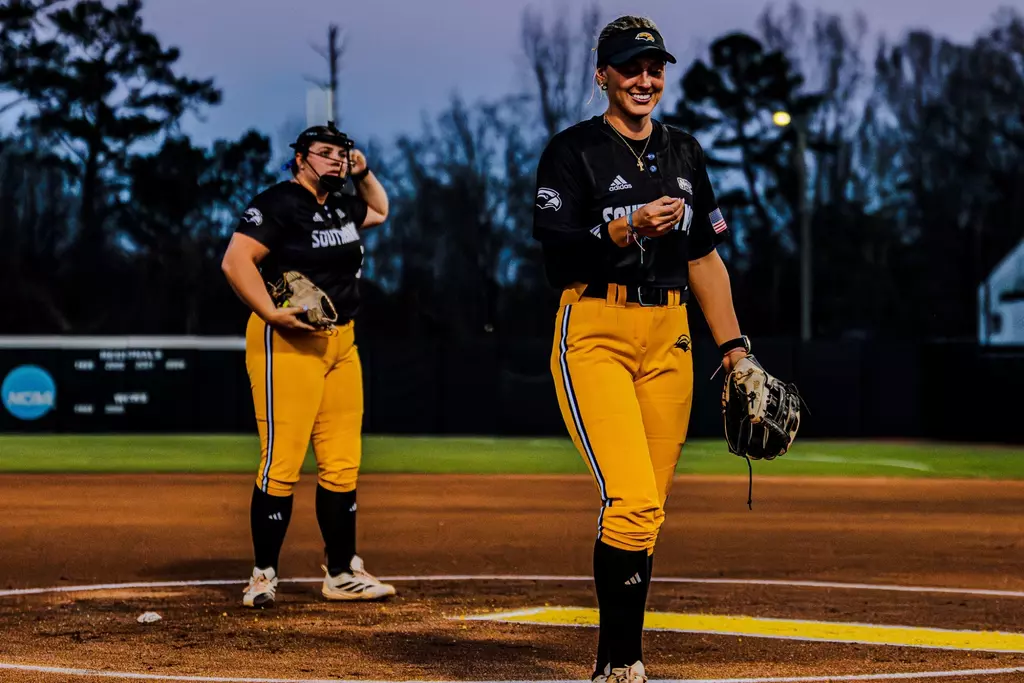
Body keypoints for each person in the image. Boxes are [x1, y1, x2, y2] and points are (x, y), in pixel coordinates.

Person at [532, 16, 752, 683]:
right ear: (602, 74)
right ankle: (618, 665)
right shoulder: (572, 152)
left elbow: (706, 257)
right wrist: (625, 229)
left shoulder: (685, 152)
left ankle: (624, 657)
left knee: (648, 510)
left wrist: (736, 350)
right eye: (630, 67)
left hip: (671, 336)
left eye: (654, 68)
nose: (645, 80)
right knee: (628, 498)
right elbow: (557, 252)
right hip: (594, 328)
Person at [221, 122, 396, 608]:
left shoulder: (340, 204)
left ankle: (341, 572)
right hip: (288, 344)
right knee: (282, 462)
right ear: (300, 159)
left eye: (342, 153)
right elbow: (236, 261)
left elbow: (380, 210)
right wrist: (269, 311)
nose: (336, 160)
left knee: (342, 463)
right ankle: (263, 574)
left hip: (343, 344)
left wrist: (364, 172)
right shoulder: (278, 203)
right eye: (325, 153)